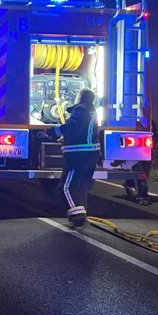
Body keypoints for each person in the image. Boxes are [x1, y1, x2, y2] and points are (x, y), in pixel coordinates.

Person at [47, 88, 100, 226]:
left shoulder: (80, 110)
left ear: (80, 97)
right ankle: (82, 212)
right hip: (91, 154)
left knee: (66, 186)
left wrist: (54, 131)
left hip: (78, 155)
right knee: (82, 185)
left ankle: (76, 214)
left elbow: (73, 126)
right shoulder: (92, 110)